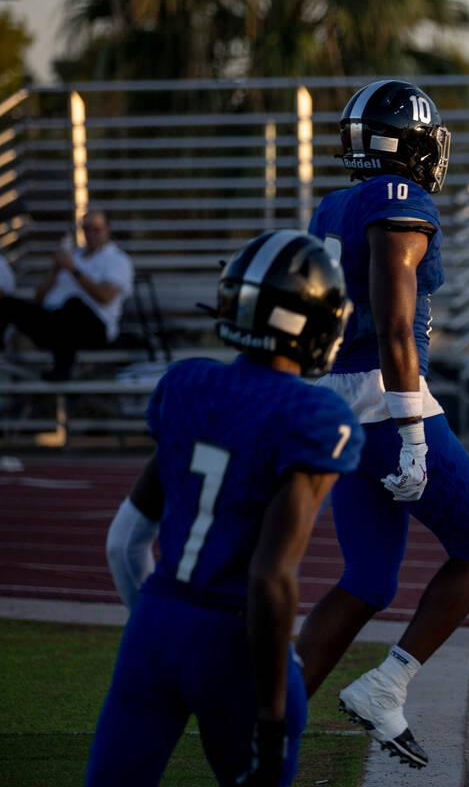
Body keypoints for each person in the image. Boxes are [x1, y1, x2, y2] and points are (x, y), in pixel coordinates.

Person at [86, 231, 363, 787]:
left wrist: (161, 624)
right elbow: (269, 576)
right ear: (305, 321)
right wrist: (271, 711)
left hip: (156, 624)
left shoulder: (187, 384)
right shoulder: (314, 415)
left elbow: (125, 542)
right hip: (236, 638)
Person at [294, 80, 469, 769]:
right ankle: (386, 686)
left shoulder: (334, 206)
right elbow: (394, 324)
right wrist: (412, 429)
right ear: (410, 143)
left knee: (368, 577)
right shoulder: (399, 200)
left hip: (337, 397)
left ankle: (270, 717)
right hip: (383, 398)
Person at [0, 210, 134, 380]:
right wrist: (55, 271)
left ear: (108, 229)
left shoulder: (117, 260)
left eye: (96, 229)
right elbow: (38, 299)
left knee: (73, 305)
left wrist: (74, 271)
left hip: (93, 330)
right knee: (7, 304)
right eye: (86, 229)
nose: (90, 234)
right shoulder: (73, 256)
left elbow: (105, 297)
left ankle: (61, 369)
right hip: (54, 324)